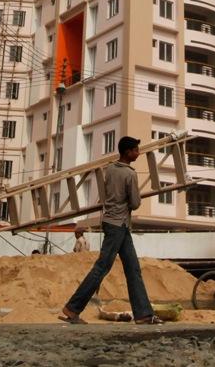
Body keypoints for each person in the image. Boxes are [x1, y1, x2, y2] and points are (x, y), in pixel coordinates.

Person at [60, 136, 161, 325]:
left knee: (133, 269)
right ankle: (72, 308)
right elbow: (135, 203)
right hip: (118, 225)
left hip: (114, 223)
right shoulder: (130, 174)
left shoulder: (110, 169)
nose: (138, 153)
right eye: (136, 150)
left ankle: (144, 314)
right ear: (128, 152)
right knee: (102, 268)